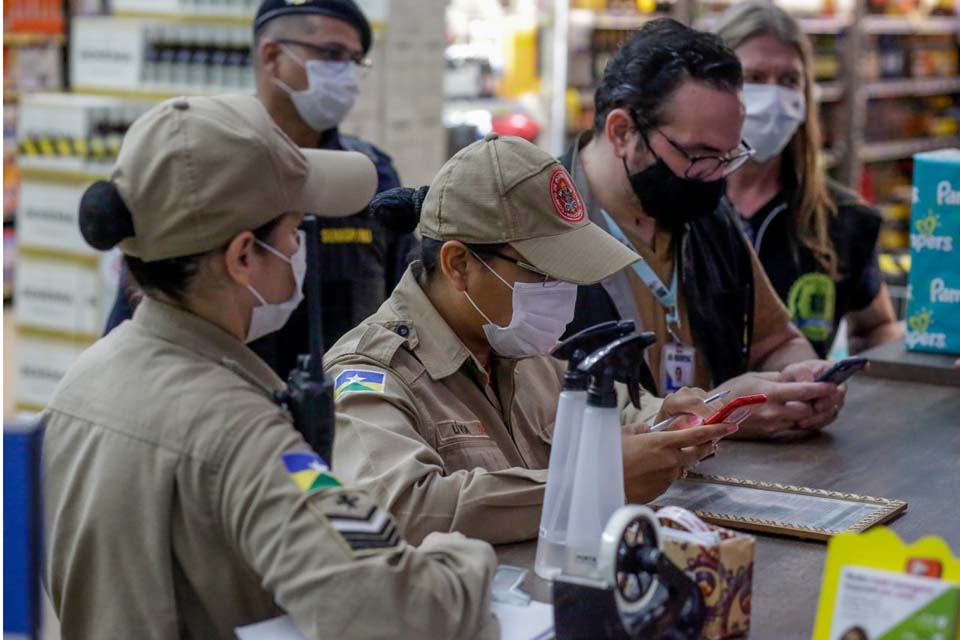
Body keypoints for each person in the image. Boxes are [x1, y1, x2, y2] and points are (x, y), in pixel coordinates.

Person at [43, 95, 496, 639]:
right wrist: (460, 558)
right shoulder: (249, 436)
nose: (301, 248)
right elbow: (393, 610)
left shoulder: (84, 380)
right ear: (242, 258)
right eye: (292, 232)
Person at [324, 133, 738, 545]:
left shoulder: (524, 354)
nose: (562, 291)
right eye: (543, 272)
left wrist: (669, 419)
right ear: (459, 264)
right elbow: (400, 507)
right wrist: (592, 484)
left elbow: (616, 410)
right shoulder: (370, 375)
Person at [560, 19, 846, 440]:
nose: (716, 175)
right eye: (699, 154)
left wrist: (800, 379)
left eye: (731, 155)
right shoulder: (541, 235)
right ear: (622, 132)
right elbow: (545, 424)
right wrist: (723, 413)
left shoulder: (708, 216)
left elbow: (776, 340)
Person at [103, 0, 414, 379]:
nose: (347, 74)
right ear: (271, 56)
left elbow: (403, 312)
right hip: (222, 408)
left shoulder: (371, 175)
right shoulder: (199, 169)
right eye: (332, 54)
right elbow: (142, 318)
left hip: (347, 414)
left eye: (355, 60)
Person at [714, 1, 900, 358]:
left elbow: (876, 326)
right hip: (691, 413)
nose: (773, 96)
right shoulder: (680, 206)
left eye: (789, 80)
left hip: (798, 412)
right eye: (753, 78)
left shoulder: (842, 218)